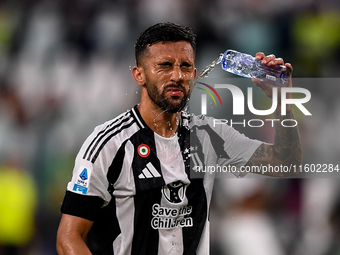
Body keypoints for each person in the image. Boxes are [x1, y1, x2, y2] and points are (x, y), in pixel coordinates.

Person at [56, 22, 302, 255]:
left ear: (195, 74)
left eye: (185, 66)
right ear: (139, 75)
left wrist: (283, 102)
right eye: (164, 65)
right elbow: (68, 237)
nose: (177, 75)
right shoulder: (109, 143)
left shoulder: (208, 135)